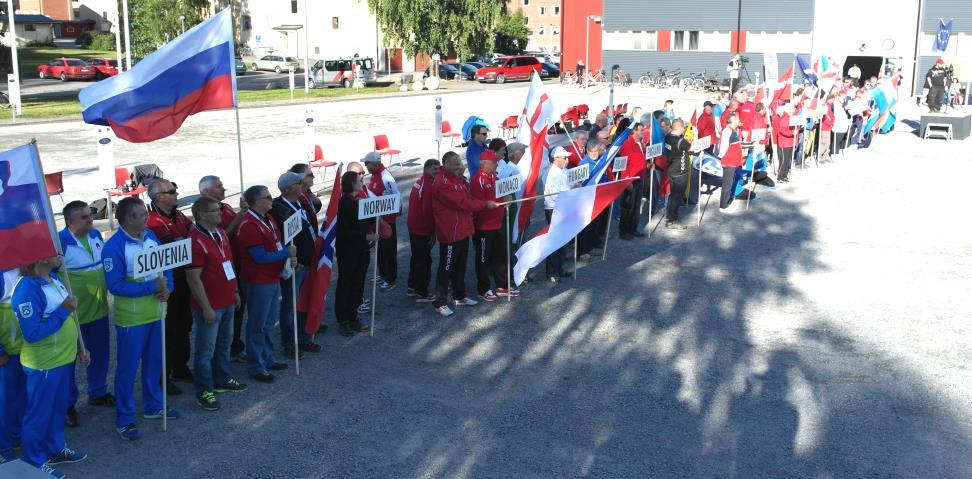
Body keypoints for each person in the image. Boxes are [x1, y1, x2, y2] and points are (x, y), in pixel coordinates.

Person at [102, 197, 179, 441]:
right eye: (142, 215)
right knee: (127, 369)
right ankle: (125, 419)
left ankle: (154, 405)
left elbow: (165, 266)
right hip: (132, 320)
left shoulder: (150, 236)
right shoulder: (113, 247)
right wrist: (151, 289)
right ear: (128, 219)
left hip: (157, 312)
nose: (147, 218)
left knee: (155, 362)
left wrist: (169, 287)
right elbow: (115, 286)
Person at [13, 257, 88, 476]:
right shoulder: (26, 290)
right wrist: (63, 310)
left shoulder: (54, 278)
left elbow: (69, 318)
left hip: (64, 358)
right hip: (44, 363)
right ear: (41, 258)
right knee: (39, 413)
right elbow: (32, 333)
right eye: (54, 251)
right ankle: (34, 461)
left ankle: (55, 449)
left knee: (58, 407)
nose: (60, 254)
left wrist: (80, 347)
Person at [185, 196, 248, 412]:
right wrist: (205, 307)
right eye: (215, 210)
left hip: (227, 299)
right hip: (210, 305)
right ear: (202, 215)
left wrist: (236, 290)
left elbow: (228, 263)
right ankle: (203, 390)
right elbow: (193, 278)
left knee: (224, 344)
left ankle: (222, 378)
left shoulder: (220, 233)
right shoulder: (194, 240)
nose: (220, 213)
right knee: (205, 351)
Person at [59, 201, 113, 429]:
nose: (90, 219)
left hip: (99, 309)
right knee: (69, 361)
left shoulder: (95, 237)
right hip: (73, 316)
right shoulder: (60, 242)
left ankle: (97, 392)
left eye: (90, 215)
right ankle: (68, 404)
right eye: (84, 217)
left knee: (100, 354)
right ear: (71, 222)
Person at [236, 185, 295, 384]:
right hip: (258, 280)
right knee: (257, 324)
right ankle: (256, 365)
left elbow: (274, 245)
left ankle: (267, 358)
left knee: (268, 323)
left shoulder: (267, 218)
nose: (272, 199)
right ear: (256, 202)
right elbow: (259, 257)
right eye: (267, 197)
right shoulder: (250, 225)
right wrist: (286, 253)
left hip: (271, 278)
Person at [430, 151, 498, 317]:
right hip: (450, 232)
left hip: (463, 230)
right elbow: (463, 203)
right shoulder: (442, 182)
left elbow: (468, 197)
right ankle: (439, 302)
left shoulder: (457, 180)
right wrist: (486, 204)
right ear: (445, 165)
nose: (459, 167)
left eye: (460, 164)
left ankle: (460, 296)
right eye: (455, 164)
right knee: (446, 268)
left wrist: (464, 181)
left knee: (460, 266)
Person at [146, 179, 193, 395]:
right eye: (172, 191)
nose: (177, 193)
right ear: (159, 197)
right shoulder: (153, 220)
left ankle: (181, 367)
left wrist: (183, 238)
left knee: (184, 325)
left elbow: (189, 237)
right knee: (168, 331)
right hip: (167, 282)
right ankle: (163, 377)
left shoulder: (179, 214)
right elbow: (174, 246)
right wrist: (183, 239)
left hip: (184, 278)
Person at [272, 171, 321, 357]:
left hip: (308, 260)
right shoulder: (278, 208)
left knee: (303, 302)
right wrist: (291, 259)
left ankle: (303, 336)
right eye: (300, 182)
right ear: (291, 188)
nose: (304, 185)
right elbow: (279, 238)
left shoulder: (300, 201)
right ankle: (289, 343)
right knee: (290, 304)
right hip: (295, 264)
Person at [198, 175, 248, 360]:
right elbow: (218, 239)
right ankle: (221, 355)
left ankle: (233, 347)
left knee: (238, 310)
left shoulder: (225, 207)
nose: (224, 188)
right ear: (206, 192)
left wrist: (243, 213)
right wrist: (238, 218)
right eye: (219, 186)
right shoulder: (205, 213)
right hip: (218, 271)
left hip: (235, 264)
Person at [334, 171, 375, 336]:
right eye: (359, 180)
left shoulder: (360, 200)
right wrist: (365, 236)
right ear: (351, 183)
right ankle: (342, 319)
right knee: (346, 284)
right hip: (348, 251)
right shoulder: (344, 203)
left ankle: (353, 315)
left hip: (362, 249)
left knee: (358, 284)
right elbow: (343, 232)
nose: (362, 181)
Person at [470, 150, 509, 301]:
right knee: (483, 258)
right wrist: (488, 204)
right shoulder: (477, 180)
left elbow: (500, 193)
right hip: (484, 227)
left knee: (499, 256)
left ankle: (502, 285)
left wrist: (505, 198)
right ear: (485, 163)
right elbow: (475, 204)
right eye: (494, 162)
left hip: (497, 223)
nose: (497, 163)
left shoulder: (495, 176)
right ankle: (483, 289)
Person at [363, 152, 401, 292]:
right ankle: (383, 273)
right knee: (381, 249)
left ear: (373, 163)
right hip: (379, 219)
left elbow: (396, 195)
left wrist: (396, 211)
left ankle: (390, 279)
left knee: (389, 250)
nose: (365, 166)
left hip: (387, 220)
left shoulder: (386, 176)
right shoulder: (375, 175)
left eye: (366, 163)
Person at [406, 159, 440, 303]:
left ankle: (413, 286)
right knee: (424, 260)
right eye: (434, 169)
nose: (437, 172)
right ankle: (422, 292)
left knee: (417, 257)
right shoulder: (429, 185)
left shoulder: (420, 181)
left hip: (414, 226)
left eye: (439, 169)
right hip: (421, 229)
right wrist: (433, 233)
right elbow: (428, 212)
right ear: (426, 169)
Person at [0, 269, 25, 464]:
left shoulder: (24, 266)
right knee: (5, 399)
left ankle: (18, 435)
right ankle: (3, 446)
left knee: (22, 394)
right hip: (6, 350)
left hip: (26, 346)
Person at [346, 161, 373, 316]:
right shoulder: (347, 199)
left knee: (362, 273)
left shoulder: (363, 189)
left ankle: (359, 298)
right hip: (356, 243)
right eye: (358, 174)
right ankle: (355, 303)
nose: (362, 176)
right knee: (355, 275)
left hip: (365, 240)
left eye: (363, 173)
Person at [542, 147, 572, 282]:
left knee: (563, 240)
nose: (567, 160)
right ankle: (552, 272)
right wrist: (571, 193)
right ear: (556, 158)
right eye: (564, 157)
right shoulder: (551, 174)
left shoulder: (562, 171)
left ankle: (559, 268)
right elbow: (554, 196)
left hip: (562, 207)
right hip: (554, 209)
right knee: (554, 241)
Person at [617, 122, 647, 240]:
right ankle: (624, 231)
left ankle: (632, 228)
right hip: (630, 179)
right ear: (634, 131)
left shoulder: (641, 143)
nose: (643, 132)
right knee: (627, 206)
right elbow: (624, 164)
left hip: (640, 177)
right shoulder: (628, 144)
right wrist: (626, 180)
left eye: (643, 130)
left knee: (636, 205)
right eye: (641, 130)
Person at [664, 119, 693, 228]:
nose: (684, 129)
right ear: (680, 128)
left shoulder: (667, 137)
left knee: (672, 196)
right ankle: (672, 220)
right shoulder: (681, 141)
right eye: (683, 127)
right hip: (680, 172)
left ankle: (669, 217)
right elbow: (692, 148)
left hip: (671, 169)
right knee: (677, 197)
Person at [718, 113, 743, 212]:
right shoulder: (727, 131)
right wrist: (722, 158)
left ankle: (727, 201)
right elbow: (723, 147)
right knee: (727, 184)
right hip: (729, 162)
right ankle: (723, 206)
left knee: (730, 182)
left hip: (733, 162)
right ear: (733, 121)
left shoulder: (733, 130)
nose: (738, 122)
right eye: (737, 120)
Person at [773, 104, 796, 182]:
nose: (794, 110)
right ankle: (780, 177)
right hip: (784, 142)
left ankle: (784, 175)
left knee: (787, 160)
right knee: (783, 160)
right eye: (793, 109)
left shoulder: (791, 117)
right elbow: (782, 130)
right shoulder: (785, 118)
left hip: (790, 142)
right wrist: (792, 133)